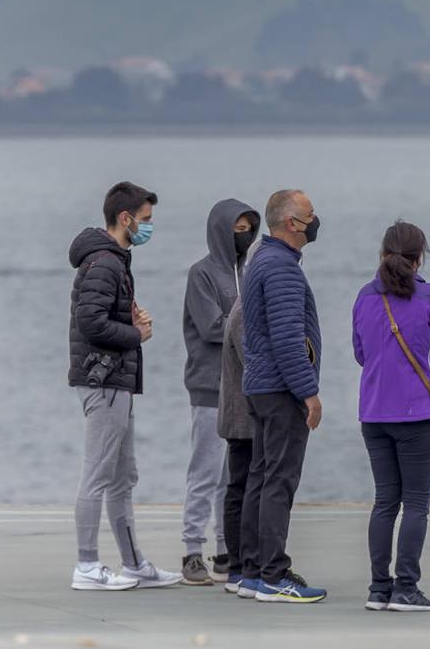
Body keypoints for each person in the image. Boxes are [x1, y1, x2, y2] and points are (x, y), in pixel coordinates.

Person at [68, 181, 181, 591]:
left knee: (121, 476)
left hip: (115, 380)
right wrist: (135, 334)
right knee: (98, 474)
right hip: (104, 380)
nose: (150, 227)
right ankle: (86, 565)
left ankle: (133, 563)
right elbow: (90, 322)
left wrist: (129, 320)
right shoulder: (105, 263)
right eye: (146, 220)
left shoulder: (115, 260)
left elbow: (99, 315)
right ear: (125, 218)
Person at [352, 221, 430, 613]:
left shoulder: (365, 296)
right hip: (415, 413)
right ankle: (406, 588)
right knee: (416, 503)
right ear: (419, 259)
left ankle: (379, 589)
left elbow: (362, 354)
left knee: (385, 501)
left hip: (373, 412)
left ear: (383, 255)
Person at [238, 189, 327, 604]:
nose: (315, 220)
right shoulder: (282, 269)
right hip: (280, 388)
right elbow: (289, 339)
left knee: (260, 475)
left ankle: (252, 570)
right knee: (279, 480)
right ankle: (273, 574)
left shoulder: (261, 260)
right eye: (310, 215)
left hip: (259, 385)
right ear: (291, 223)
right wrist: (308, 392)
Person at [179, 199, 260, 585]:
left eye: (249, 227)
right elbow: (213, 328)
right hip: (209, 388)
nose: (245, 234)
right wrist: (254, 326)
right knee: (205, 472)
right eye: (238, 228)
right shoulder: (202, 274)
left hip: (243, 390)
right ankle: (192, 551)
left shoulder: (249, 272)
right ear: (222, 230)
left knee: (233, 477)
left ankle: (227, 550)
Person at [217, 296, 252, 595]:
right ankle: (239, 566)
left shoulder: (243, 307)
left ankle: (240, 565)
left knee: (240, 488)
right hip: (242, 416)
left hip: (243, 414)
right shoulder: (243, 311)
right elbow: (250, 359)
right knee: (240, 488)